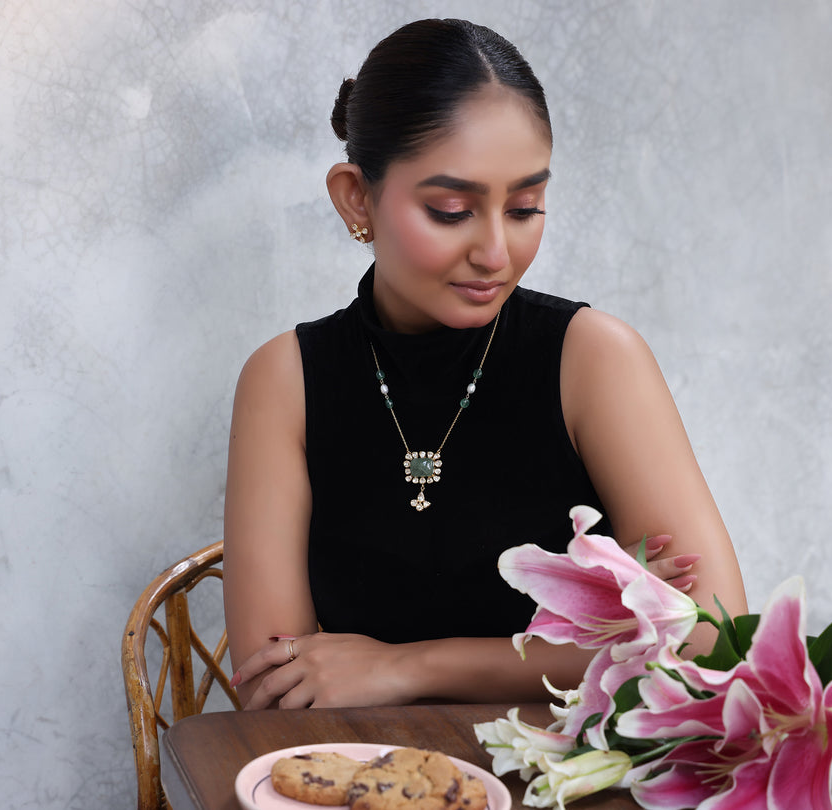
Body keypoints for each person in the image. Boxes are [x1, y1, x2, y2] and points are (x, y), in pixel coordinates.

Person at [221, 18, 747, 710]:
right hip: (369, 775)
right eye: (451, 210)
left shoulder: (593, 358)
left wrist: (408, 668)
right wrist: (598, 645)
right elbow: (276, 683)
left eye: (525, 206)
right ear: (357, 197)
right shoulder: (285, 380)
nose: (496, 251)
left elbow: (715, 636)